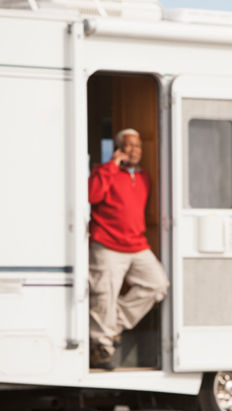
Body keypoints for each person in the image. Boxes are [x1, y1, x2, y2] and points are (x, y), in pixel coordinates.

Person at [88, 128, 169, 370]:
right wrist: (112, 165)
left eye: (138, 146)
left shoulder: (144, 177)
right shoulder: (104, 172)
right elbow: (92, 195)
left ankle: (112, 326)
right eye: (129, 145)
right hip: (107, 244)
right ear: (119, 147)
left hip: (136, 244)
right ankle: (101, 347)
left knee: (157, 285)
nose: (134, 150)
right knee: (104, 295)